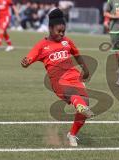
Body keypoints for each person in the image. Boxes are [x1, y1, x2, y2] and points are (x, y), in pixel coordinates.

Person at [21, 8, 93, 147]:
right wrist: (25, 62)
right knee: (75, 98)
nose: (61, 34)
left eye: (63, 32)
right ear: (49, 28)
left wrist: (85, 69)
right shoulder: (41, 46)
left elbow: (77, 55)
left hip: (74, 77)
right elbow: (28, 59)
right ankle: (80, 105)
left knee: (85, 105)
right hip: (58, 80)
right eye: (58, 31)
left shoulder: (67, 42)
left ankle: (72, 134)